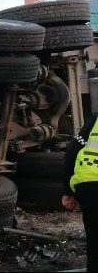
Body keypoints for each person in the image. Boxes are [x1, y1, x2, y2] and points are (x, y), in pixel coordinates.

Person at [63, 114, 98, 272]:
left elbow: (72, 150)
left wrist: (68, 191)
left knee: (94, 241)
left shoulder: (95, 120)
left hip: (88, 185)